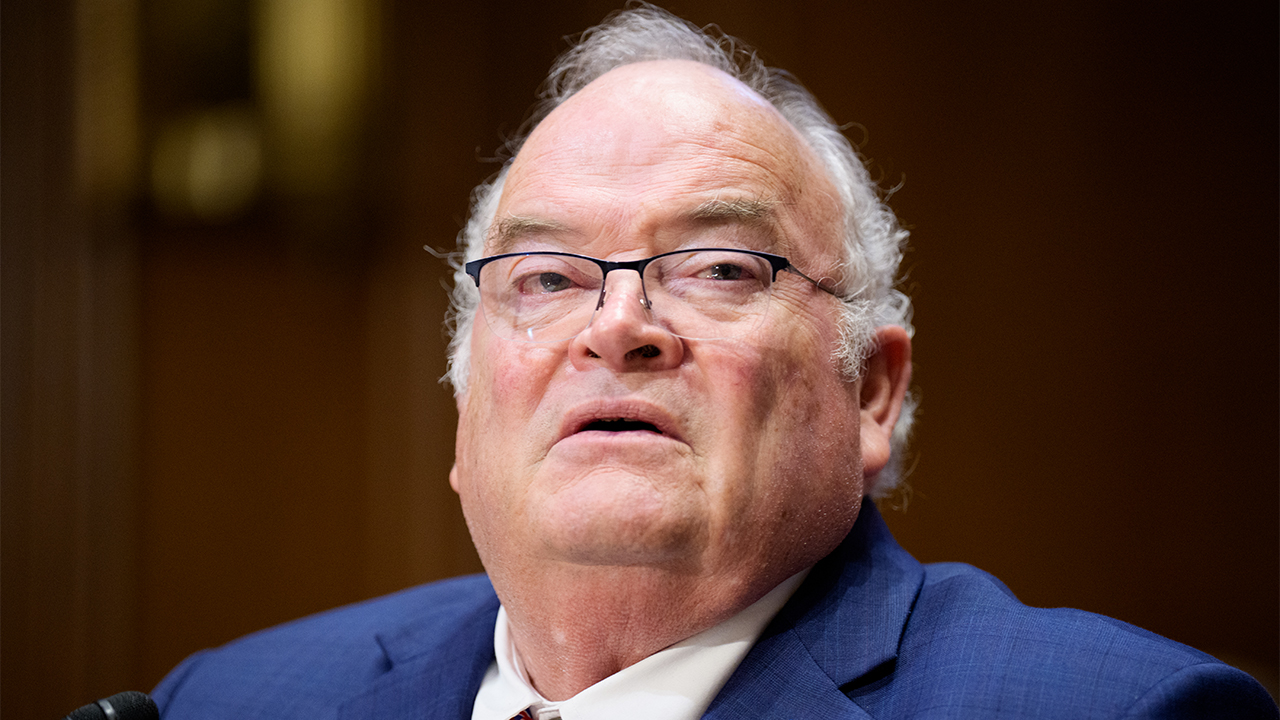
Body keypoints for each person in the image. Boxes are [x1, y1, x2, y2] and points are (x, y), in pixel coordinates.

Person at [153, 6, 1277, 719]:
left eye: (719, 269)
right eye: (544, 278)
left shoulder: (1115, 712)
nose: (616, 326)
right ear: (463, 406)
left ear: (871, 391)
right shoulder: (225, 702)